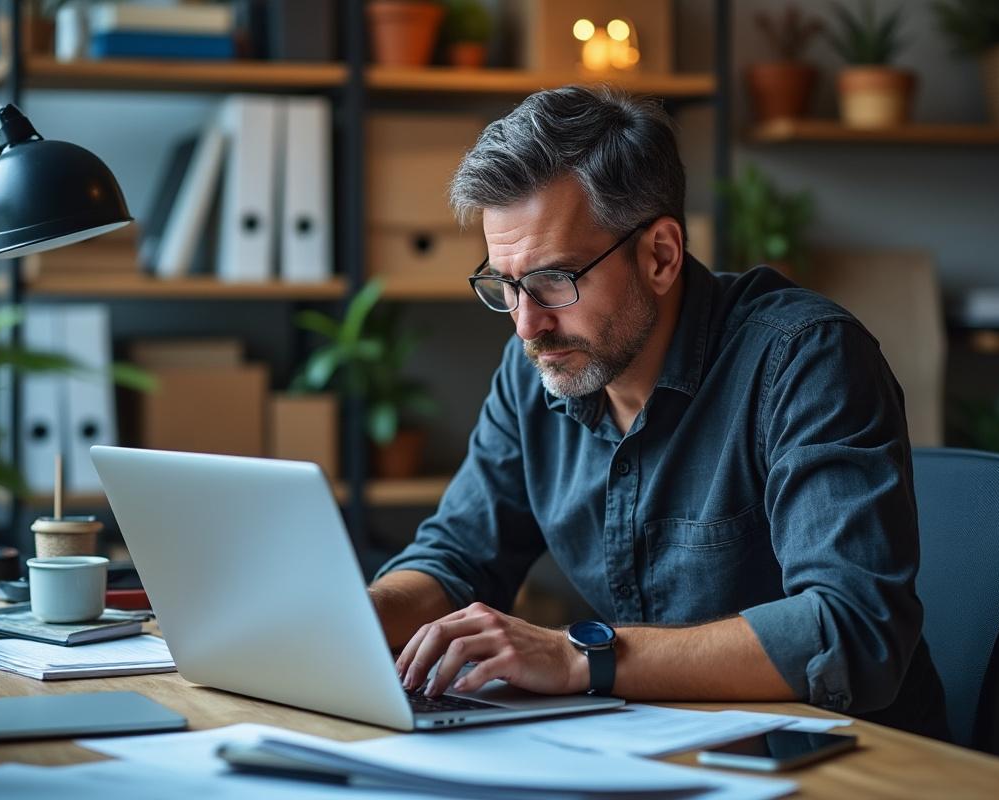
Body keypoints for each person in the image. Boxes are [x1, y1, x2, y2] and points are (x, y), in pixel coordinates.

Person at [367, 85, 948, 740]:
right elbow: (456, 559)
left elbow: (850, 628)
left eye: (555, 279)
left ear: (661, 256)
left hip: (845, 760)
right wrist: (347, 617)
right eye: (506, 285)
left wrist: (574, 654)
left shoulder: (804, 360)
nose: (527, 324)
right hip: (653, 746)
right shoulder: (539, 369)